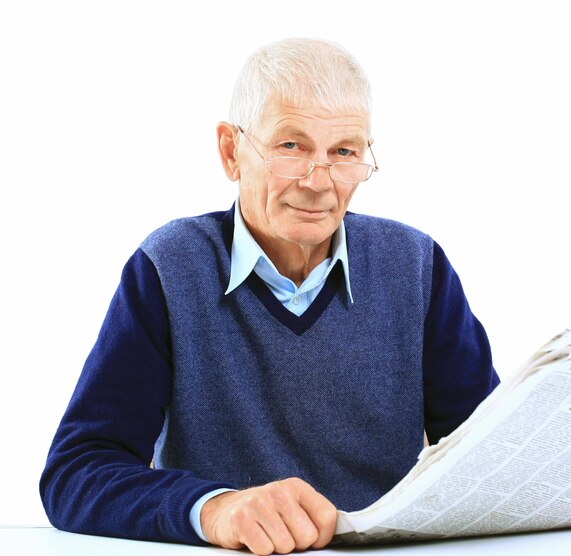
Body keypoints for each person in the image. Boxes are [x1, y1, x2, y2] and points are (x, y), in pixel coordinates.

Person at [40, 38, 499, 555]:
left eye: (344, 151)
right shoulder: (171, 266)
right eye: (291, 146)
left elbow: (492, 457)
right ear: (231, 151)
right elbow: (76, 474)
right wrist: (215, 508)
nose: (318, 182)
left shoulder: (416, 265)